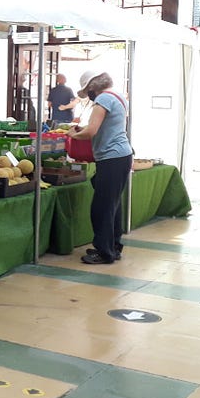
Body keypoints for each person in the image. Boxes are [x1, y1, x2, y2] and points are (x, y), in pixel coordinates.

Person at [68, 69, 133, 265]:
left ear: (92, 87)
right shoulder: (118, 96)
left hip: (111, 158)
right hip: (122, 155)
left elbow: (92, 131)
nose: (89, 95)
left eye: (88, 91)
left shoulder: (103, 100)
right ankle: (113, 246)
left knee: (102, 207)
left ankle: (104, 252)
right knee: (113, 204)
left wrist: (73, 134)